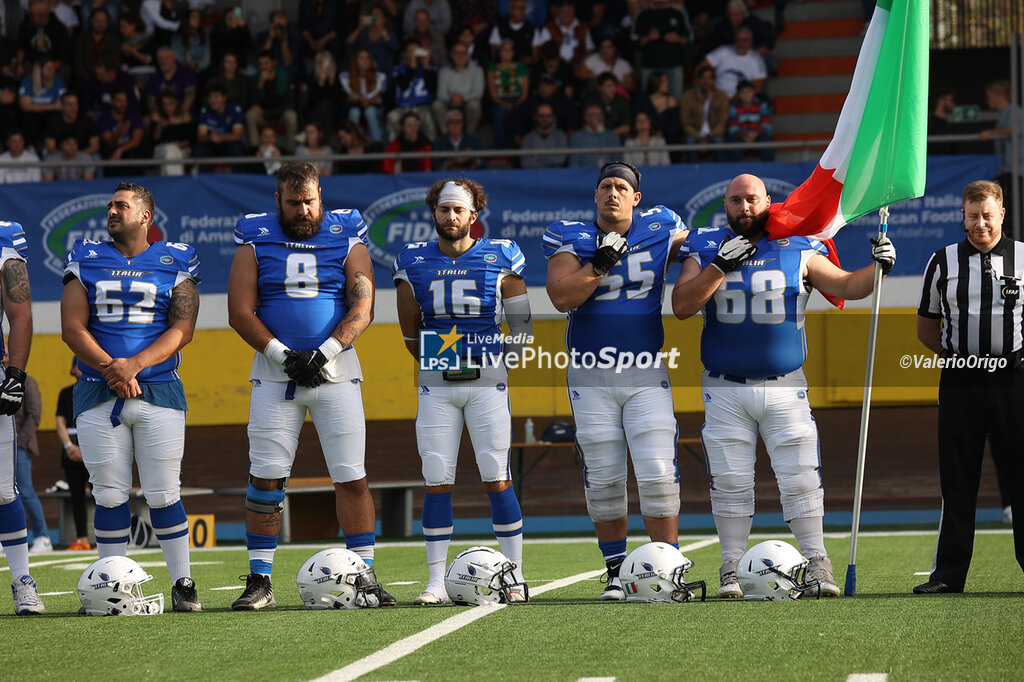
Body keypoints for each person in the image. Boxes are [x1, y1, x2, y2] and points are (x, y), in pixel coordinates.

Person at [670, 173, 897, 599]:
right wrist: (720, 265)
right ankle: (730, 567)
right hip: (725, 387)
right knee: (731, 480)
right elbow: (682, 306)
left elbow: (847, 284)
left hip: (785, 386)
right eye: (736, 200)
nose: (744, 208)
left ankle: (817, 562)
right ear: (725, 204)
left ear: (767, 201)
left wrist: (879, 268)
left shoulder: (798, 246)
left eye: (751, 199)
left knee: (799, 478)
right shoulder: (705, 248)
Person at [227, 162, 393, 610]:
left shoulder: (347, 231)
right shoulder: (255, 235)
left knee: (351, 476)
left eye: (309, 201)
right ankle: (260, 580)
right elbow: (240, 310)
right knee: (265, 478)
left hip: (336, 372)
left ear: (321, 194)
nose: (303, 210)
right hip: (274, 374)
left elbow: (363, 302)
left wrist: (325, 352)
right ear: (277, 200)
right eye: (293, 202)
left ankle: (365, 574)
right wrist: (283, 355)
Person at [543, 162, 688, 600]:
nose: (612, 193)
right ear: (595, 195)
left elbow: (702, 249)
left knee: (659, 472)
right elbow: (561, 296)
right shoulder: (570, 234)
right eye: (605, 185)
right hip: (590, 372)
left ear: (636, 198)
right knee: (604, 477)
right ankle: (614, 572)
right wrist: (599, 264)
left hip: (645, 369)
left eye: (622, 187)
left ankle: (667, 566)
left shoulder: (662, 225)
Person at [60, 181, 203, 613]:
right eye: (109, 206)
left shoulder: (176, 258)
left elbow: (183, 330)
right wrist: (113, 367)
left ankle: (183, 584)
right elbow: (71, 327)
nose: (112, 211)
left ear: (146, 216)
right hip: (97, 391)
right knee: (108, 494)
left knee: (164, 493)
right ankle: (111, 586)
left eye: (121, 205)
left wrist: (133, 364)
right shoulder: (85, 257)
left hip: (158, 389)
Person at [393, 177, 533, 605]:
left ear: (474, 216)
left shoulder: (500, 255)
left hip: (487, 383)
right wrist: (442, 360)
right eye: (444, 209)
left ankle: (516, 577)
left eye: (459, 210)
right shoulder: (413, 259)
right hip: (437, 383)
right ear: (433, 213)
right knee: (436, 479)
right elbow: (409, 331)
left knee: (497, 477)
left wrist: (495, 362)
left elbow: (523, 325)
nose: (451, 217)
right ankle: (435, 581)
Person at [914, 180, 1024, 594]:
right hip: (962, 380)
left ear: (1001, 215)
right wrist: (962, 358)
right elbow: (926, 328)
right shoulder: (941, 262)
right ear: (962, 215)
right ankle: (948, 576)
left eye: (988, 216)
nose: (980, 224)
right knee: (958, 480)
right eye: (973, 216)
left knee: (1021, 476)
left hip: (1016, 380)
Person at [0, 217, 44, 614]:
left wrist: (14, 375)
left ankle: (21, 580)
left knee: (3, 488)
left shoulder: (4, 239)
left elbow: (21, 315)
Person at [56, 359, 91, 551]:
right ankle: (81, 538)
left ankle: (106, 536)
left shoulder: (96, 391)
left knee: (101, 494)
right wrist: (69, 446)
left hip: (93, 449)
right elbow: (59, 422)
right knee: (76, 497)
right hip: (71, 451)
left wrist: (86, 451)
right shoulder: (65, 393)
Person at [980, 80, 1024, 224]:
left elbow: (1012, 129)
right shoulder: (1005, 114)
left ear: (999, 94)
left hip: (1016, 170)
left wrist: (990, 133)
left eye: (988, 96)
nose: (987, 101)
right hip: (1007, 170)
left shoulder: (1013, 111)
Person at [14, 369, 47, 553]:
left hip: (20, 447)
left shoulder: (28, 381)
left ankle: (43, 536)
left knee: (26, 492)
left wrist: (17, 442)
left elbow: (34, 415)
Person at [633, 0, 692, 98]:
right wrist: (649, 37)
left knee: (676, 98)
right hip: (650, 65)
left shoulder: (678, 12)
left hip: (674, 64)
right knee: (647, 100)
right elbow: (634, 39)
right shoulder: (643, 13)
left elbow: (689, 38)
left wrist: (677, 38)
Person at [245, 50, 297, 153]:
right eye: (260, 64)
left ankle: (291, 152)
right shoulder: (255, 79)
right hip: (263, 116)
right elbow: (251, 104)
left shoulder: (285, 76)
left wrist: (268, 113)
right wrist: (260, 84)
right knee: (250, 115)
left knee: (291, 115)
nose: (263, 67)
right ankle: (256, 151)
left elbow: (291, 104)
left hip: (280, 115)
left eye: (266, 63)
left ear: (274, 62)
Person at [433, 41, 485, 134]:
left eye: (464, 53)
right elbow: (441, 94)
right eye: (457, 53)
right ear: (452, 55)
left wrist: (462, 97)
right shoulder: (444, 71)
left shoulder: (477, 70)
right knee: (437, 105)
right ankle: (446, 135)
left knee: (474, 105)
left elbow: (478, 92)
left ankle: (469, 135)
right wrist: (452, 98)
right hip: (450, 102)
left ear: (468, 54)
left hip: (468, 102)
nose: (461, 56)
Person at [701, 26, 767, 98]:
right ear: (734, 40)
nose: (741, 44)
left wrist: (736, 100)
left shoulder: (757, 59)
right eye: (738, 40)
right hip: (715, 98)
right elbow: (701, 68)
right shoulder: (722, 51)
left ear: (751, 41)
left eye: (745, 40)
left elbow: (758, 87)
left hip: (740, 102)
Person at [681, 64, 728, 163]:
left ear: (714, 80)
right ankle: (692, 170)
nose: (706, 81)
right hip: (695, 134)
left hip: (714, 134)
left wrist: (710, 136)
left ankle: (720, 171)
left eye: (709, 78)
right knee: (690, 141)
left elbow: (722, 122)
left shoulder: (721, 96)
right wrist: (699, 137)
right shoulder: (688, 96)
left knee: (718, 141)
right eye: (703, 78)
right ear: (697, 80)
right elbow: (685, 123)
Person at [487, 38, 529, 149]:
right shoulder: (492, 66)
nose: (507, 52)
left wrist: (517, 103)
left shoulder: (520, 65)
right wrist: (505, 104)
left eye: (510, 50)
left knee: (521, 112)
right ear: (499, 52)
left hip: (518, 99)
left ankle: (521, 147)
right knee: (500, 114)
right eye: (504, 49)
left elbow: (524, 92)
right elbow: (493, 94)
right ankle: (501, 149)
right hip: (500, 100)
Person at [340, 48, 387, 144]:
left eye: (367, 58)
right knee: (354, 111)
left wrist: (367, 101)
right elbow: (350, 98)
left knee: (369, 111)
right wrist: (361, 100)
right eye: (361, 58)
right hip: (355, 108)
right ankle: (352, 143)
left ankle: (377, 144)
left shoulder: (380, 77)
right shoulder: (345, 77)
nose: (365, 61)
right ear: (355, 61)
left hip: (375, 110)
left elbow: (376, 98)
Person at [195, 82, 245, 169]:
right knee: (201, 148)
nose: (212, 100)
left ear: (224, 98)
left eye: (216, 96)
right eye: (210, 97)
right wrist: (210, 137)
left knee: (236, 147)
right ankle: (203, 178)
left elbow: (237, 136)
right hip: (212, 144)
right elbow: (201, 136)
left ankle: (237, 177)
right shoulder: (205, 111)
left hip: (228, 144)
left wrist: (221, 138)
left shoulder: (235, 110)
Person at [726, 80, 773, 161]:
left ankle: (767, 171)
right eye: (743, 93)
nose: (746, 95)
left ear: (753, 92)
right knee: (733, 148)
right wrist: (744, 135)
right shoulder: (734, 108)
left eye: (749, 92)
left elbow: (766, 126)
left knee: (768, 146)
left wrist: (755, 133)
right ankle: (736, 172)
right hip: (740, 136)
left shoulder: (762, 105)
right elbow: (733, 128)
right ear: (739, 94)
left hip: (758, 135)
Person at [43, 91, 100, 158]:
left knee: (96, 158)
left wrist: (76, 157)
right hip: (60, 156)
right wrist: (67, 157)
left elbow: (95, 147)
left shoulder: (87, 120)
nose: (74, 108)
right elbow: (50, 149)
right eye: (70, 105)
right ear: (62, 106)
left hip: (82, 155)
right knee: (47, 157)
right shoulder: (52, 121)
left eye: (76, 104)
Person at [150, 89, 193, 177]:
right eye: (165, 104)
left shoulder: (185, 116)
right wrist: (159, 127)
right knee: (170, 150)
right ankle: (176, 183)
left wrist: (178, 145)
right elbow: (153, 141)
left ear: (176, 102)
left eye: (171, 103)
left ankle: (169, 183)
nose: (168, 107)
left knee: (171, 152)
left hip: (183, 149)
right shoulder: (157, 116)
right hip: (161, 149)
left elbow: (191, 139)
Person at [583, 72, 631, 139]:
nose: (613, 89)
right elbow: (585, 125)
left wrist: (608, 135)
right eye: (609, 86)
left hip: (616, 135)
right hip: (595, 134)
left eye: (614, 86)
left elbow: (627, 127)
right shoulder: (591, 101)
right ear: (600, 88)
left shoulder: (622, 101)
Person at [520, 102, 567, 168]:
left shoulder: (560, 136)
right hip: (534, 176)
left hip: (556, 176)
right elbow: (526, 163)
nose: (545, 119)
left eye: (548, 116)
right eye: (541, 116)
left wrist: (537, 157)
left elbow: (560, 159)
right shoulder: (528, 138)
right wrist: (550, 158)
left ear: (553, 117)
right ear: (535, 117)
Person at [928, 86, 957, 155]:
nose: (953, 104)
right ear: (940, 100)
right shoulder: (929, 123)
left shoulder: (948, 124)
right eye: (951, 100)